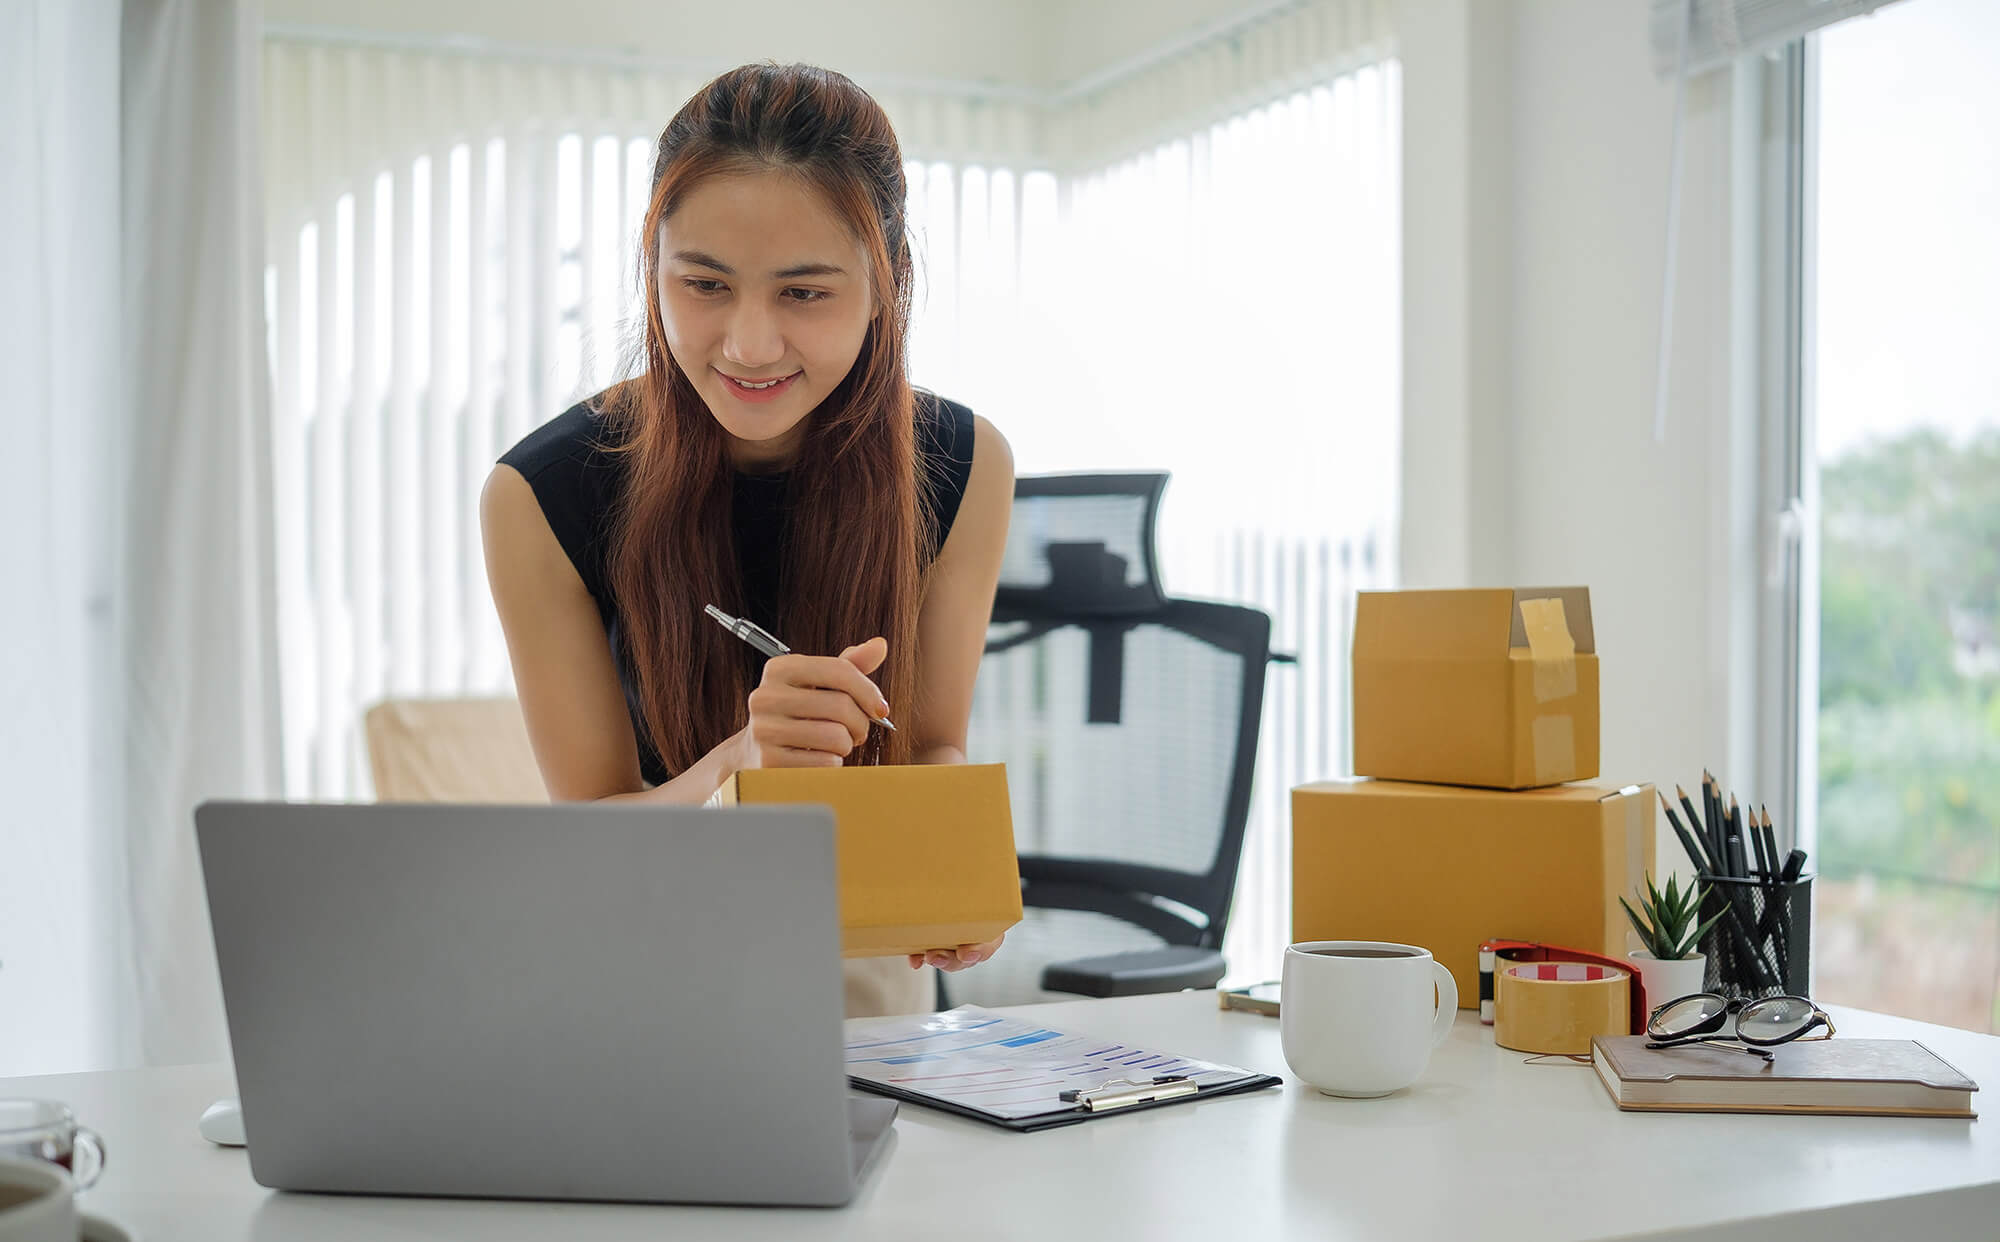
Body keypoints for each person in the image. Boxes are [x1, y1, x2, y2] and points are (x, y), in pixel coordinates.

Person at [480, 63, 1013, 1017]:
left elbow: (931, 747)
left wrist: (956, 863)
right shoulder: (541, 495)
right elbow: (590, 837)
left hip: (862, 963)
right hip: (640, 967)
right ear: (655, 273)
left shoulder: (964, 465)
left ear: (886, 286)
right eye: (705, 285)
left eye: (804, 293)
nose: (749, 344)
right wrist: (740, 769)